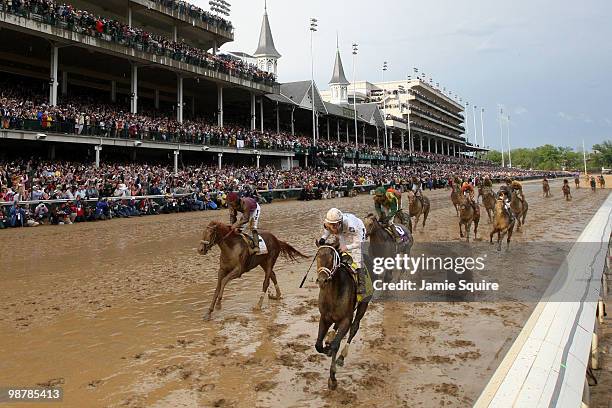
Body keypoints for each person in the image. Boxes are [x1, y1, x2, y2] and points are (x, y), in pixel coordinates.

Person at [318, 208, 367, 296]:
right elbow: (327, 231)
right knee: (338, 251)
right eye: (331, 224)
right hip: (342, 231)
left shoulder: (352, 226)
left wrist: (347, 247)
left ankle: (362, 284)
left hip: (357, 230)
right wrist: (323, 238)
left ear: (340, 222)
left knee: (357, 256)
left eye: (334, 224)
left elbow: (359, 243)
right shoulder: (328, 224)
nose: (332, 227)